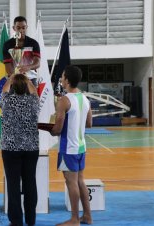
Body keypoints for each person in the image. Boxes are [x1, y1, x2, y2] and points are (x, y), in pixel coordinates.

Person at [50, 65, 93, 226]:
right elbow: (89, 123)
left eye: (62, 76)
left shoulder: (64, 100)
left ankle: (75, 219)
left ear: (67, 80)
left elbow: (58, 128)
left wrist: (48, 129)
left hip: (68, 147)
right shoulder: (85, 98)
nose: (61, 79)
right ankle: (87, 216)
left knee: (71, 182)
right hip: (81, 146)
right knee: (80, 180)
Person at [0, 73, 39, 226]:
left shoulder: (7, 101)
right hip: (31, 148)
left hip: (10, 149)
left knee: (13, 185)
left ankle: (16, 221)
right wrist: (28, 79)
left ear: (13, 88)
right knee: (30, 183)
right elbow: (34, 91)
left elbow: (3, 90)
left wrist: (11, 77)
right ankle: (31, 220)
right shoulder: (33, 101)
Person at [3, 16, 40, 87]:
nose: (21, 30)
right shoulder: (7, 45)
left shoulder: (33, 43)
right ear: (14, 28)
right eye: (18, 28)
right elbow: (8, 68)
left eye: (23, 28)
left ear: (26, 27)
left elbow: (37, 63)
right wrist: (16, 77)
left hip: (31, 78)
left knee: (32, 98)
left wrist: (28, 67)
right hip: (14, 79)